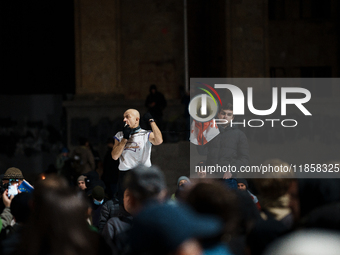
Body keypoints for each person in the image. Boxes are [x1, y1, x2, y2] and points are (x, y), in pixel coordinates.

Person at [111, 109, 163, 203]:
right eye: (123, 117)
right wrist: (125, 139)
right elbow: (114, 156)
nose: (124, 120)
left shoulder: (146, 134)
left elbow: (159, 141)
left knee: (144, 203)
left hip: (142, 173)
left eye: (127, 117)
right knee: (125, 204)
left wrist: (151, 121)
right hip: (125, 174)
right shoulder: (119, 135)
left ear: (136, 119)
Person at [196, 103, 249, 179]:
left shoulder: (239, 135)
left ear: (232, 118)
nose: (225, 116)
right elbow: (201, 152)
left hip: (228, 178)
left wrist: (231, 170)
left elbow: (244, 158)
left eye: (229, 114)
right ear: (218, 115)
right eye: (223, 113)